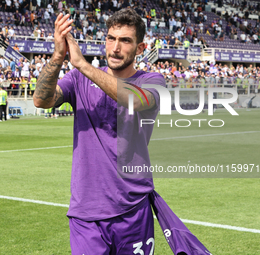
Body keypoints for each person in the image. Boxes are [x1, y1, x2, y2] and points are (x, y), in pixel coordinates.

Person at [33, 9, 164, 254]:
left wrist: (82, 64)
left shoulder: (152, 81)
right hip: (86, 212)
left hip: (133, 208)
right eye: (111, 38)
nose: (115, 47)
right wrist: (58, 56)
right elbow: (41, 100)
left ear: (139, 48)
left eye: (125, 40)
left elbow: (135, 100)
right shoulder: (78, 80)